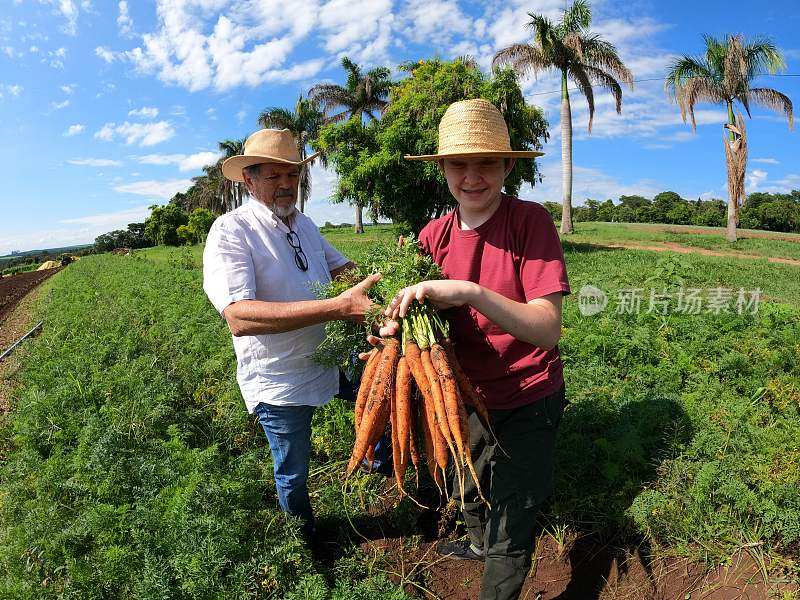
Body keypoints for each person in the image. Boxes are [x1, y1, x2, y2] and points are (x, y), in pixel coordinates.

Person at [381, 99, 571, 600]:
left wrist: (467, 291)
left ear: (509, 165)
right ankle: (476, 541)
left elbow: (547, 328)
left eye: (486, 162)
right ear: (441, 169)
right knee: (469, 476)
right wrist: (389, 335)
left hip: (529, 393)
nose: (472, 177)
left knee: (513, 516)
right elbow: (412, 314)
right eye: (458, 164)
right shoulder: (432, 236)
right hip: (464, 393)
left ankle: (498, 576)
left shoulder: (530, 224)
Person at [202, 128, 379, 538]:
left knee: (379, 403)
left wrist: (392, 277)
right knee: (293, 472)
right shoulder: (232, 231)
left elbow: (343, 271)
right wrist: (338, 307)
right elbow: (239, 316)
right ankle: (306, 540)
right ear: (248, 179)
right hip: (279, 377)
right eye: (273, 176)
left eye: (292, 176)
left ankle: (377, 461)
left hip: (329, 358)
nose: (286, 185)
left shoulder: (304, 224)